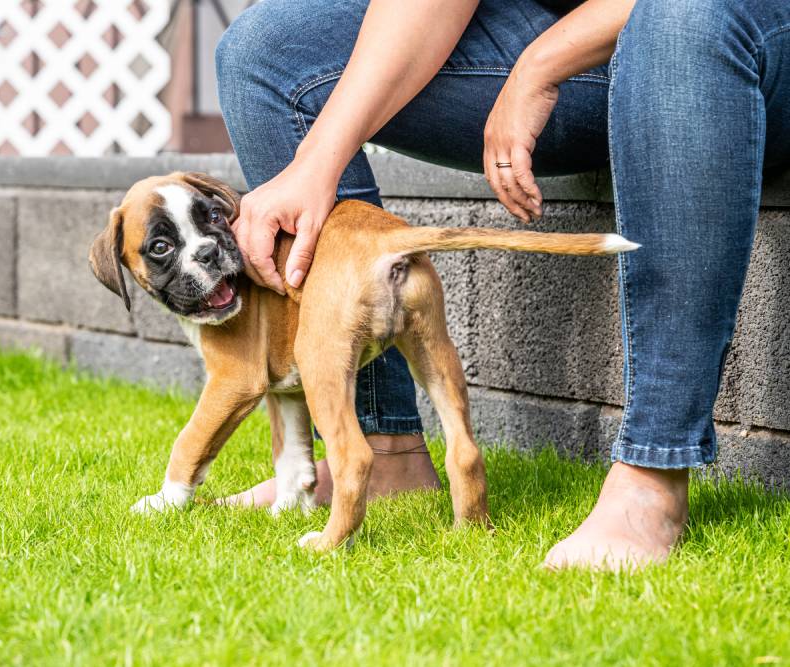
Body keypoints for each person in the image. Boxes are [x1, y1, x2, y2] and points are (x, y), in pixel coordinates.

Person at [214, 0, 790, 570]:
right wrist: (316, 162)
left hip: (730, 32)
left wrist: (537, 67)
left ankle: (652, 473)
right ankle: (382, 451)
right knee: (263, 52)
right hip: (580, 51)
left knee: (677, 16)